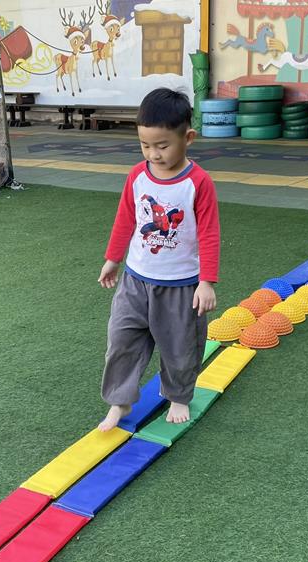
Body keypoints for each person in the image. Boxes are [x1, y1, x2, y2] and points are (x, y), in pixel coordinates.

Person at [97, 87, 220, 432]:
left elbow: (209, 233)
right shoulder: (138, 176)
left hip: (181, 286)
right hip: (135, 280)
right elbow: (127, 218)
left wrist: (207, 281)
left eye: (163, 146)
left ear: (188, 138)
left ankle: (178, 395)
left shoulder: (198, 183)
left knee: (181, 347)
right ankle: (120, 400)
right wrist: (113, 259)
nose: (154, 154)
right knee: (121, 340)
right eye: (145, 145)